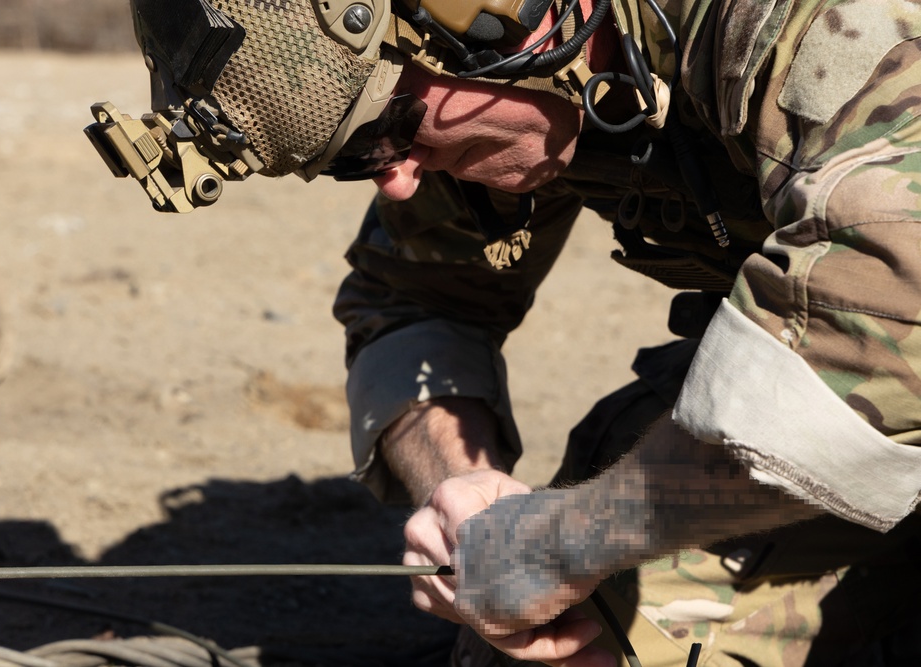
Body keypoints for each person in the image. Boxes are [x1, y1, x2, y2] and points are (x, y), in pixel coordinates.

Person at [91, 0, 921, 665]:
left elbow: (885, 321)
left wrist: (572, 539)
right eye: (355, 159)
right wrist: (461, 492)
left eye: (386, 132)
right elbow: (412, 302)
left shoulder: (803, 19)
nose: (398, 178)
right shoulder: (500, 82)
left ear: (485, 16)